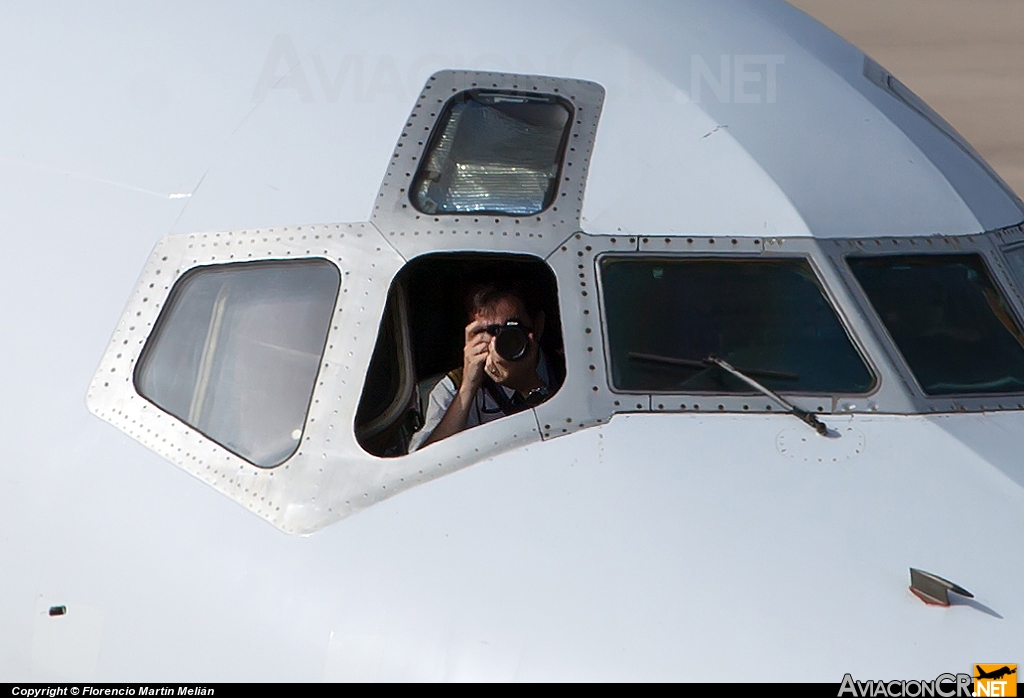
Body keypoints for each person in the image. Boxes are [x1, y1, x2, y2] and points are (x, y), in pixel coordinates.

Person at [408, 282, 554, 451]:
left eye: (512, 330)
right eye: (489, 332)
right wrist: (468, 387)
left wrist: (529, 385)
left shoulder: (570, 368)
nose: (499, 342)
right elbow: (426, 465)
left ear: (537, 326)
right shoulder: (453, 387)